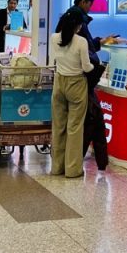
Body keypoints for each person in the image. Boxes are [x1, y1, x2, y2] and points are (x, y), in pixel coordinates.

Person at [57, 0, 109, 170]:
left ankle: (62, 164)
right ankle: (74, 164)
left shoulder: (58, 35)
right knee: (85, 123)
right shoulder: (79, 26)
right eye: (89, 4)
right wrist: (98, 67)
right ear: (83, 2)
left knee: (67, 126)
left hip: (64, 81)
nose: (90, 8)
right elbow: (87, 61)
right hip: (80, 82)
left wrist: (98, 43)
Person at [50, 11, 94, 178]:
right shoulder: (81, 41)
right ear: (78, 26)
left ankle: (57, 167)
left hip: (59, 83)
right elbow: (87, 67)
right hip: (76, 84)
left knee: (58, 126)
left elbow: (53, 60)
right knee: (74, 128)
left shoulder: (54, 37)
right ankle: (72, 169)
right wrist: (96, 67)